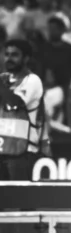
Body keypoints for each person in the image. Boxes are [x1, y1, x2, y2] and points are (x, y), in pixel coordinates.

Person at [0, 39, 50, 180]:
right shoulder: (3, 80)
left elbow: (16, 103)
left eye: (14, 55)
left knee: (18, 197)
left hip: (23, 151)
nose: (9, 58)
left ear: (26, 58)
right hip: (3, 147)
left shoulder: (33, 80)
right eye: (7, 54)